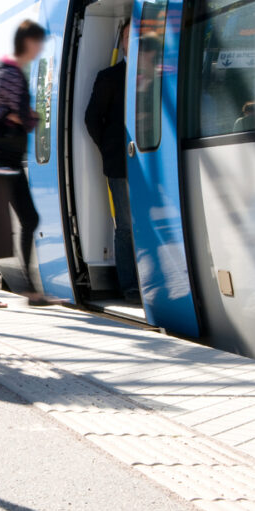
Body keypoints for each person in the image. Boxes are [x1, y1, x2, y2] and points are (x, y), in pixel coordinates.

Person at [0, 20, 49, 308]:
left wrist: (24, 116)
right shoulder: (11, 74)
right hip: (0, 160)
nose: (40, 48)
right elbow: (24, 117)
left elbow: (17, 115)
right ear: (28, 42)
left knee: (26, 219)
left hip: (7, 161)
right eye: (38, 42)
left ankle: (31, 291)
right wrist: (31, 116)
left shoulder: (8, 72)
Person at [84, 22, 139, 304]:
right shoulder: (110, 77)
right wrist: (109, 150)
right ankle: (130, 286)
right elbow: (92, 119)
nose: (137, 36)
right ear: (123, 40)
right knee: (127, 226)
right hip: (121, 163)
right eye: (131, 33)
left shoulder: (159, 74)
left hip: (153, 163)